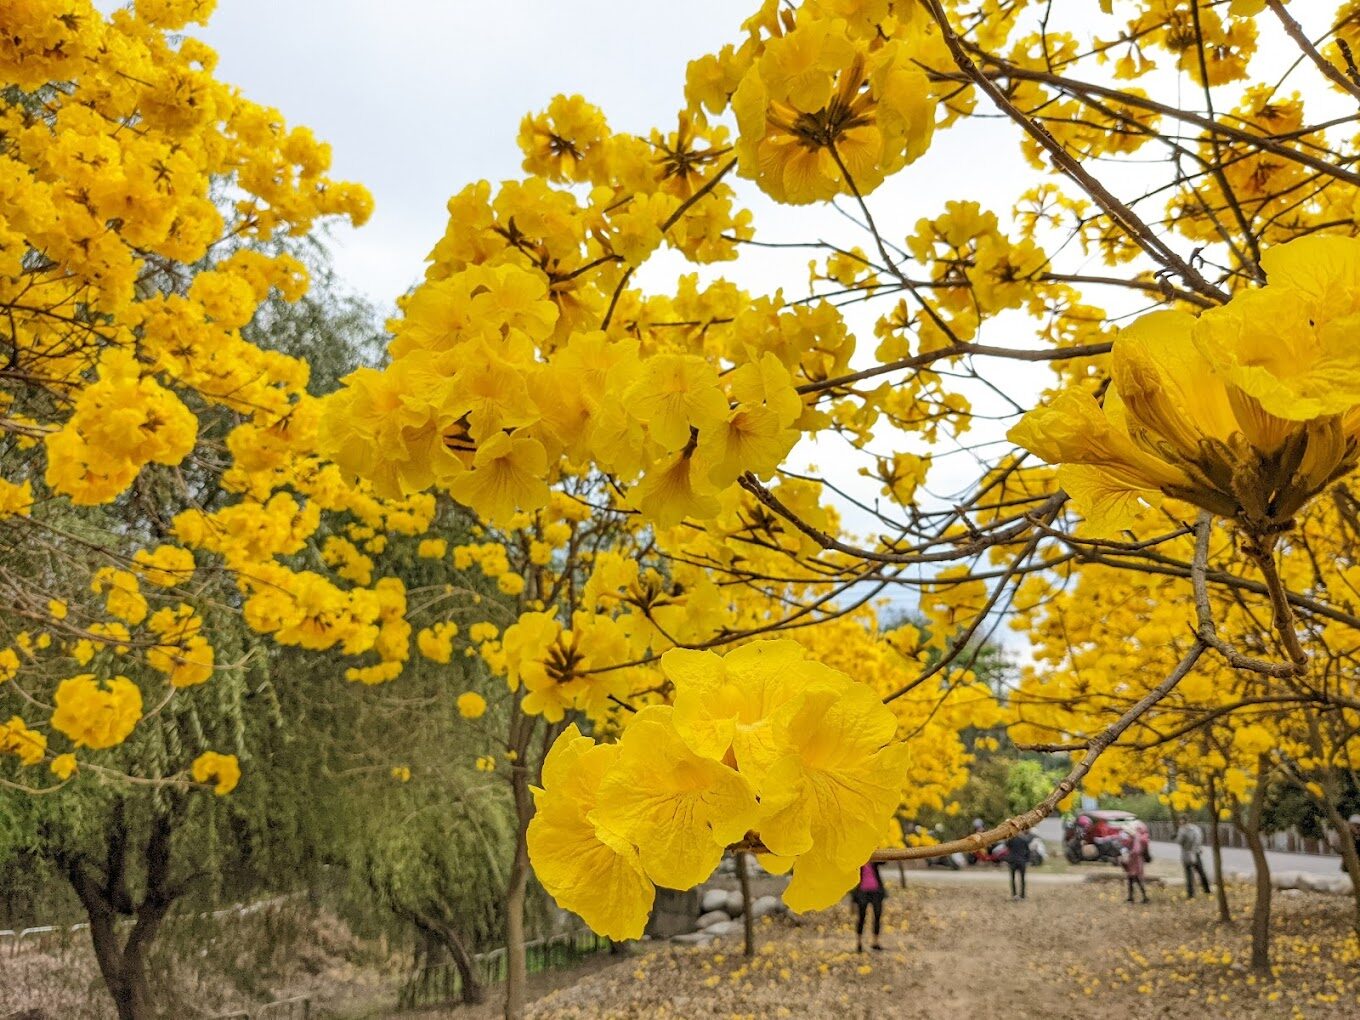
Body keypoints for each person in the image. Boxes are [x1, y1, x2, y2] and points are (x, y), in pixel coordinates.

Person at [851, 860, 886, 952]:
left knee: (877, 916)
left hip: (876, 891)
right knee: (861, 917)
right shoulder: (858, 860)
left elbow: (884, 862)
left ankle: (876, 942)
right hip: (862, 892)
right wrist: (853, 899)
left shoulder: (874, 859)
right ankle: (859, 943)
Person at [1174, 816, 1211, 898]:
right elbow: (1199, 839)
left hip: (1187, 854)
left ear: (1182, 821)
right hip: (1196, 853)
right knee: (1201, 872)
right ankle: (1207, 889)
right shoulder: (1196, 828)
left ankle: (1190, 894)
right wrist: (1196, 849)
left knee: (1189, 874)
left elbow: (1179, 841)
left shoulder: (1182, 830)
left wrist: (1177, 837)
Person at [1120, 826, 1149, 904]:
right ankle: (1132, 897)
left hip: (1134, 862)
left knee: (1135, 879)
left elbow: (1136, 851)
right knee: (1131, 879)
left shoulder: (1135, 838)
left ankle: (1143, 897)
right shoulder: (1135, 838)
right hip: (1134, 862)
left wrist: (1128, 855)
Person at [1005, 831, 1032, 900]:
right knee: (1022, 879)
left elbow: (1006, 846)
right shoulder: (1024, 840)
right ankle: (1022, 895)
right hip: (1022, 862)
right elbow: (1028, 851)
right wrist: (1027, 860)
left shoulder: (1011, 840)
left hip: (1013, 861)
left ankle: (1014, 895)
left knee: (1013, 879)